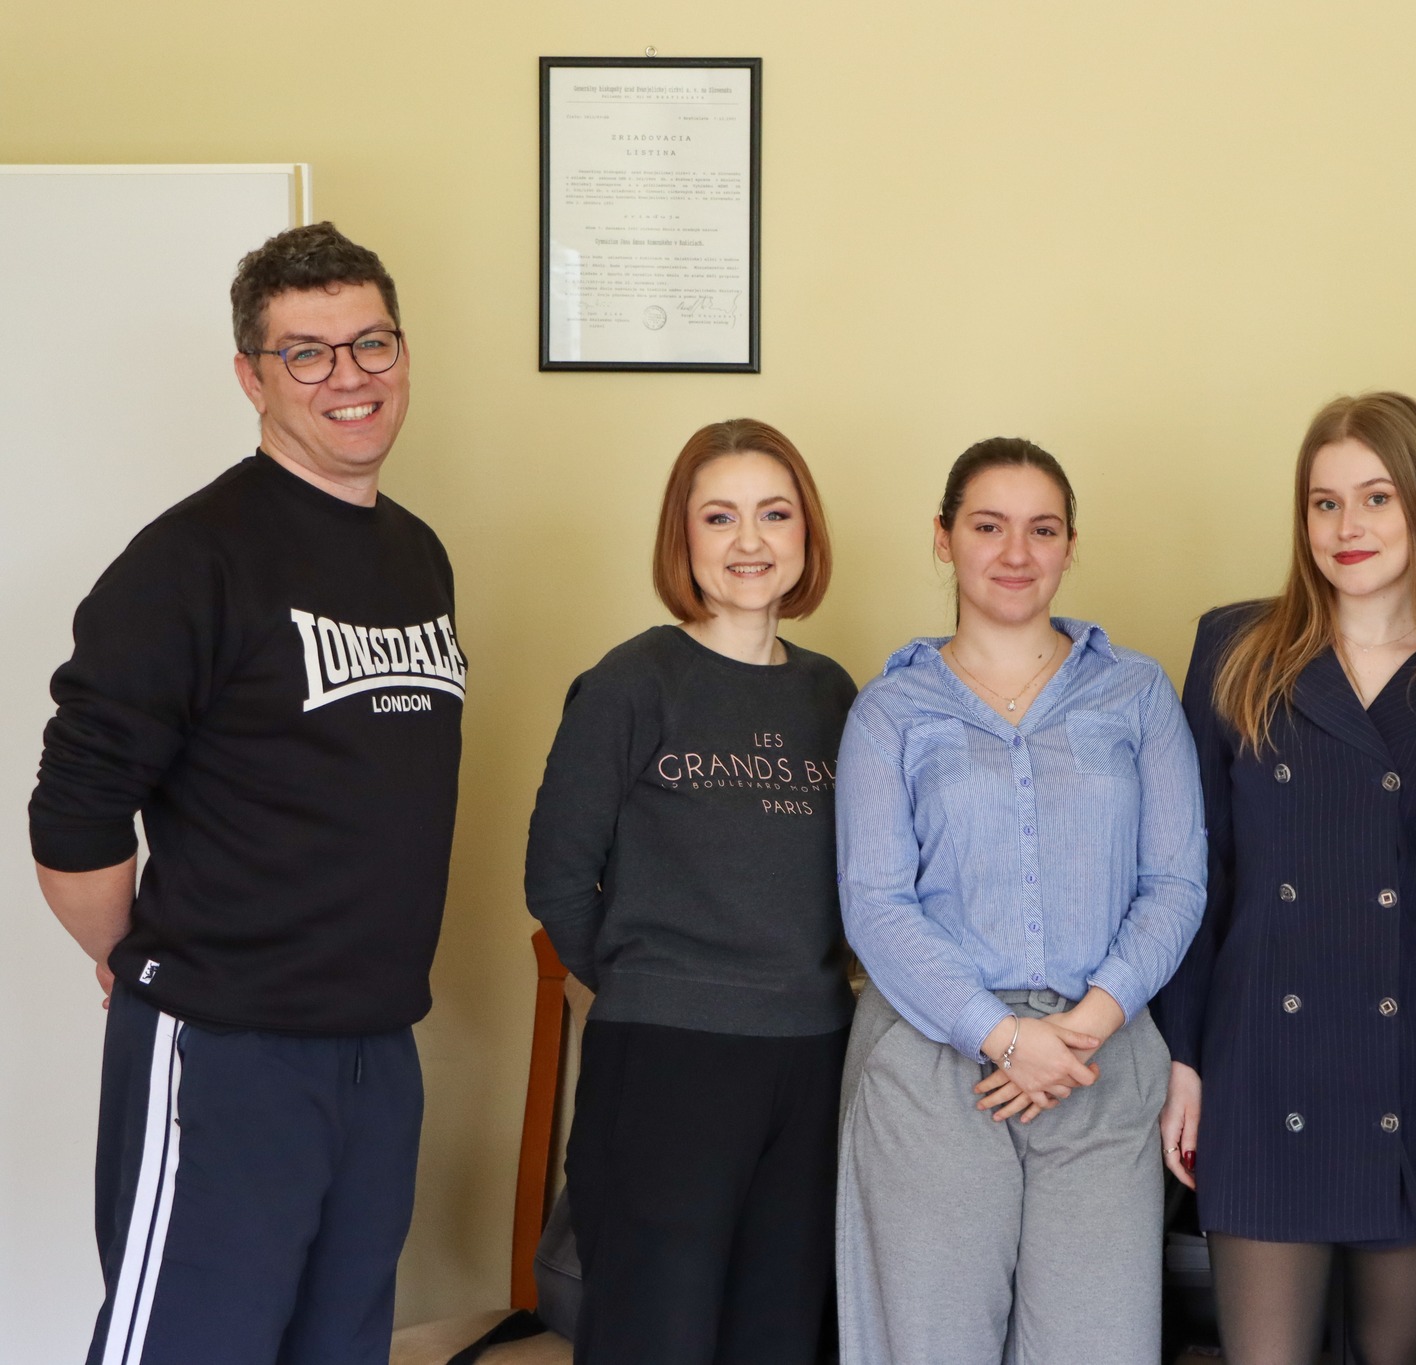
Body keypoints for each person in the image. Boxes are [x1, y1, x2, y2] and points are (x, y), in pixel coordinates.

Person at [29, 222, 462, 1365]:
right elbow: (73, 814)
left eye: (370, 343)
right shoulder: (191, 560)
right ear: (250, 376)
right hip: (227, 1050)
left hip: (377, 1049)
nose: (348, 376)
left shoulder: (418, 554)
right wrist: (143, 962)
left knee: (341, 1344)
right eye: (306, 353)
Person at [1152, 393, 1416, 1365]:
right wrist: (1182, 1058)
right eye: (1323, 503)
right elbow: (1197, 873)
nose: (1345, 527)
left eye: (1374, 498)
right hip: (1259, 1063)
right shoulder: (1235, 650)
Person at [833, 438, 1206, 1365]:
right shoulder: (889, 710)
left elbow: (1175, 882)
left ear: (1070, 545)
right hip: (931, 1059)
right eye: (988, 526)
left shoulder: (1137, 692)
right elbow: (876, 904)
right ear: (943, 537)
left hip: (1100, 1057)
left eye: (1042, 530)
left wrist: (1082, 1027)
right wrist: (1001, 1035)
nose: (1015, 552)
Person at [525, 419, 856, 1365]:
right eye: (720, 516)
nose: (750, 541)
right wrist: (652, 985)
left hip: (813, 1056)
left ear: (806, 532)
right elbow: (556, 875)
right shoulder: (633, 681)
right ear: (684, 534)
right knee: (656, 1334)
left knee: (780, 1331)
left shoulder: (834, 695)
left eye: (774, 514)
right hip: (667, 1058)